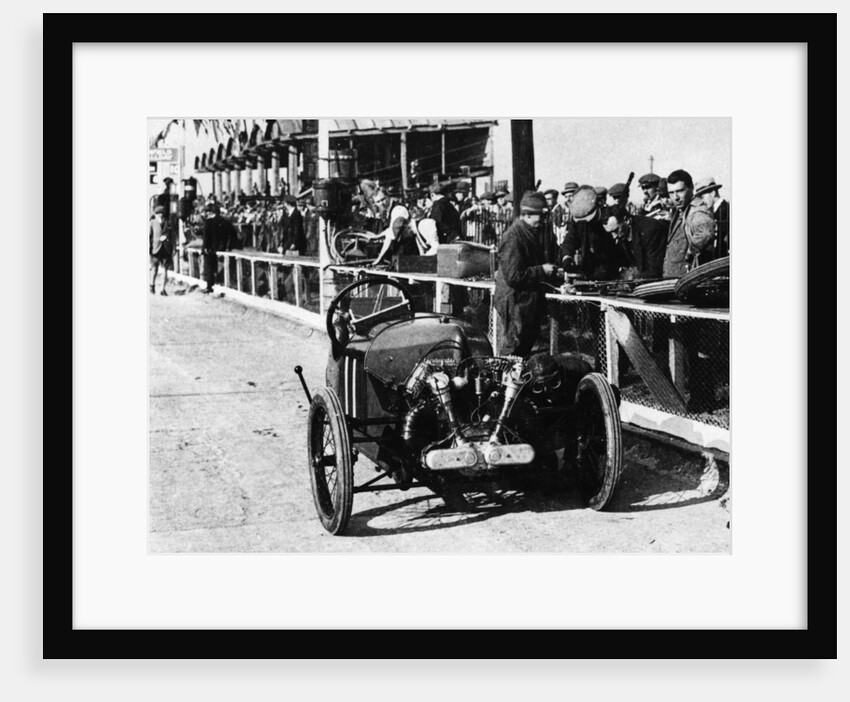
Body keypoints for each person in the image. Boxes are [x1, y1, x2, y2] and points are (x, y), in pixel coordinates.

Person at [494, 191, 563, 357]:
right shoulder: (513, 236)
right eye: (540, 216)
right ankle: (504, 381)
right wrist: (542, 270)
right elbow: (513, 276)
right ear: (526, 214)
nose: (544, 220)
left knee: (524, 347)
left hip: (525, 300)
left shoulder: (529, 232)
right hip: (514, 301)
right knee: (513, 348)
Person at [559, 185, 620, 281]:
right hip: (588, 268)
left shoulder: (610, 217)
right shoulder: (578, 217)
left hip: (610, 270)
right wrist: (567, 258)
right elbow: (570, 240)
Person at [662, 169, 716, 277]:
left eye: (680, 191)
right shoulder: (683, 210)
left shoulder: (696, 211)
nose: (675, 197)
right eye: (671, 193)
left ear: (691, 187)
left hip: (686, 280)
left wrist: (689, 254)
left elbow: (705, 233)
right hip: (675, 279)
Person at [201, 202, 236, 294]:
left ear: (210, 212)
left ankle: (209, 286)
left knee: (209, 267)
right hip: (222, 248)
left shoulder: (208, 222)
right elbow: (233, 234)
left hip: (210, 249)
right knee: (223, 267)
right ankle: (223, 283)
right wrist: (229, 246)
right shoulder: (225, 222)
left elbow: (206, 237)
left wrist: (205, 248)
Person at [694, 177, 729, 258]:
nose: (701, 202)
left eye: (702, 197)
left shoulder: (725, 212)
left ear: (713, 193)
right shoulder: (716, 212)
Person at [149, 205, 174, 295]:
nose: (161, 215)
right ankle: (152, 286)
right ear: (156, 214)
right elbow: (149, 236)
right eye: (159, 214)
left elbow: (172, 235)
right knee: (154, 268)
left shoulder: (167, 222)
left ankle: (162, 289)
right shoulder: (152, 222)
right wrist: (149, 249)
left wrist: (167, 238)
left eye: (162, 214)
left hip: (165, 249)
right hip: (155, 249)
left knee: (165, 269)